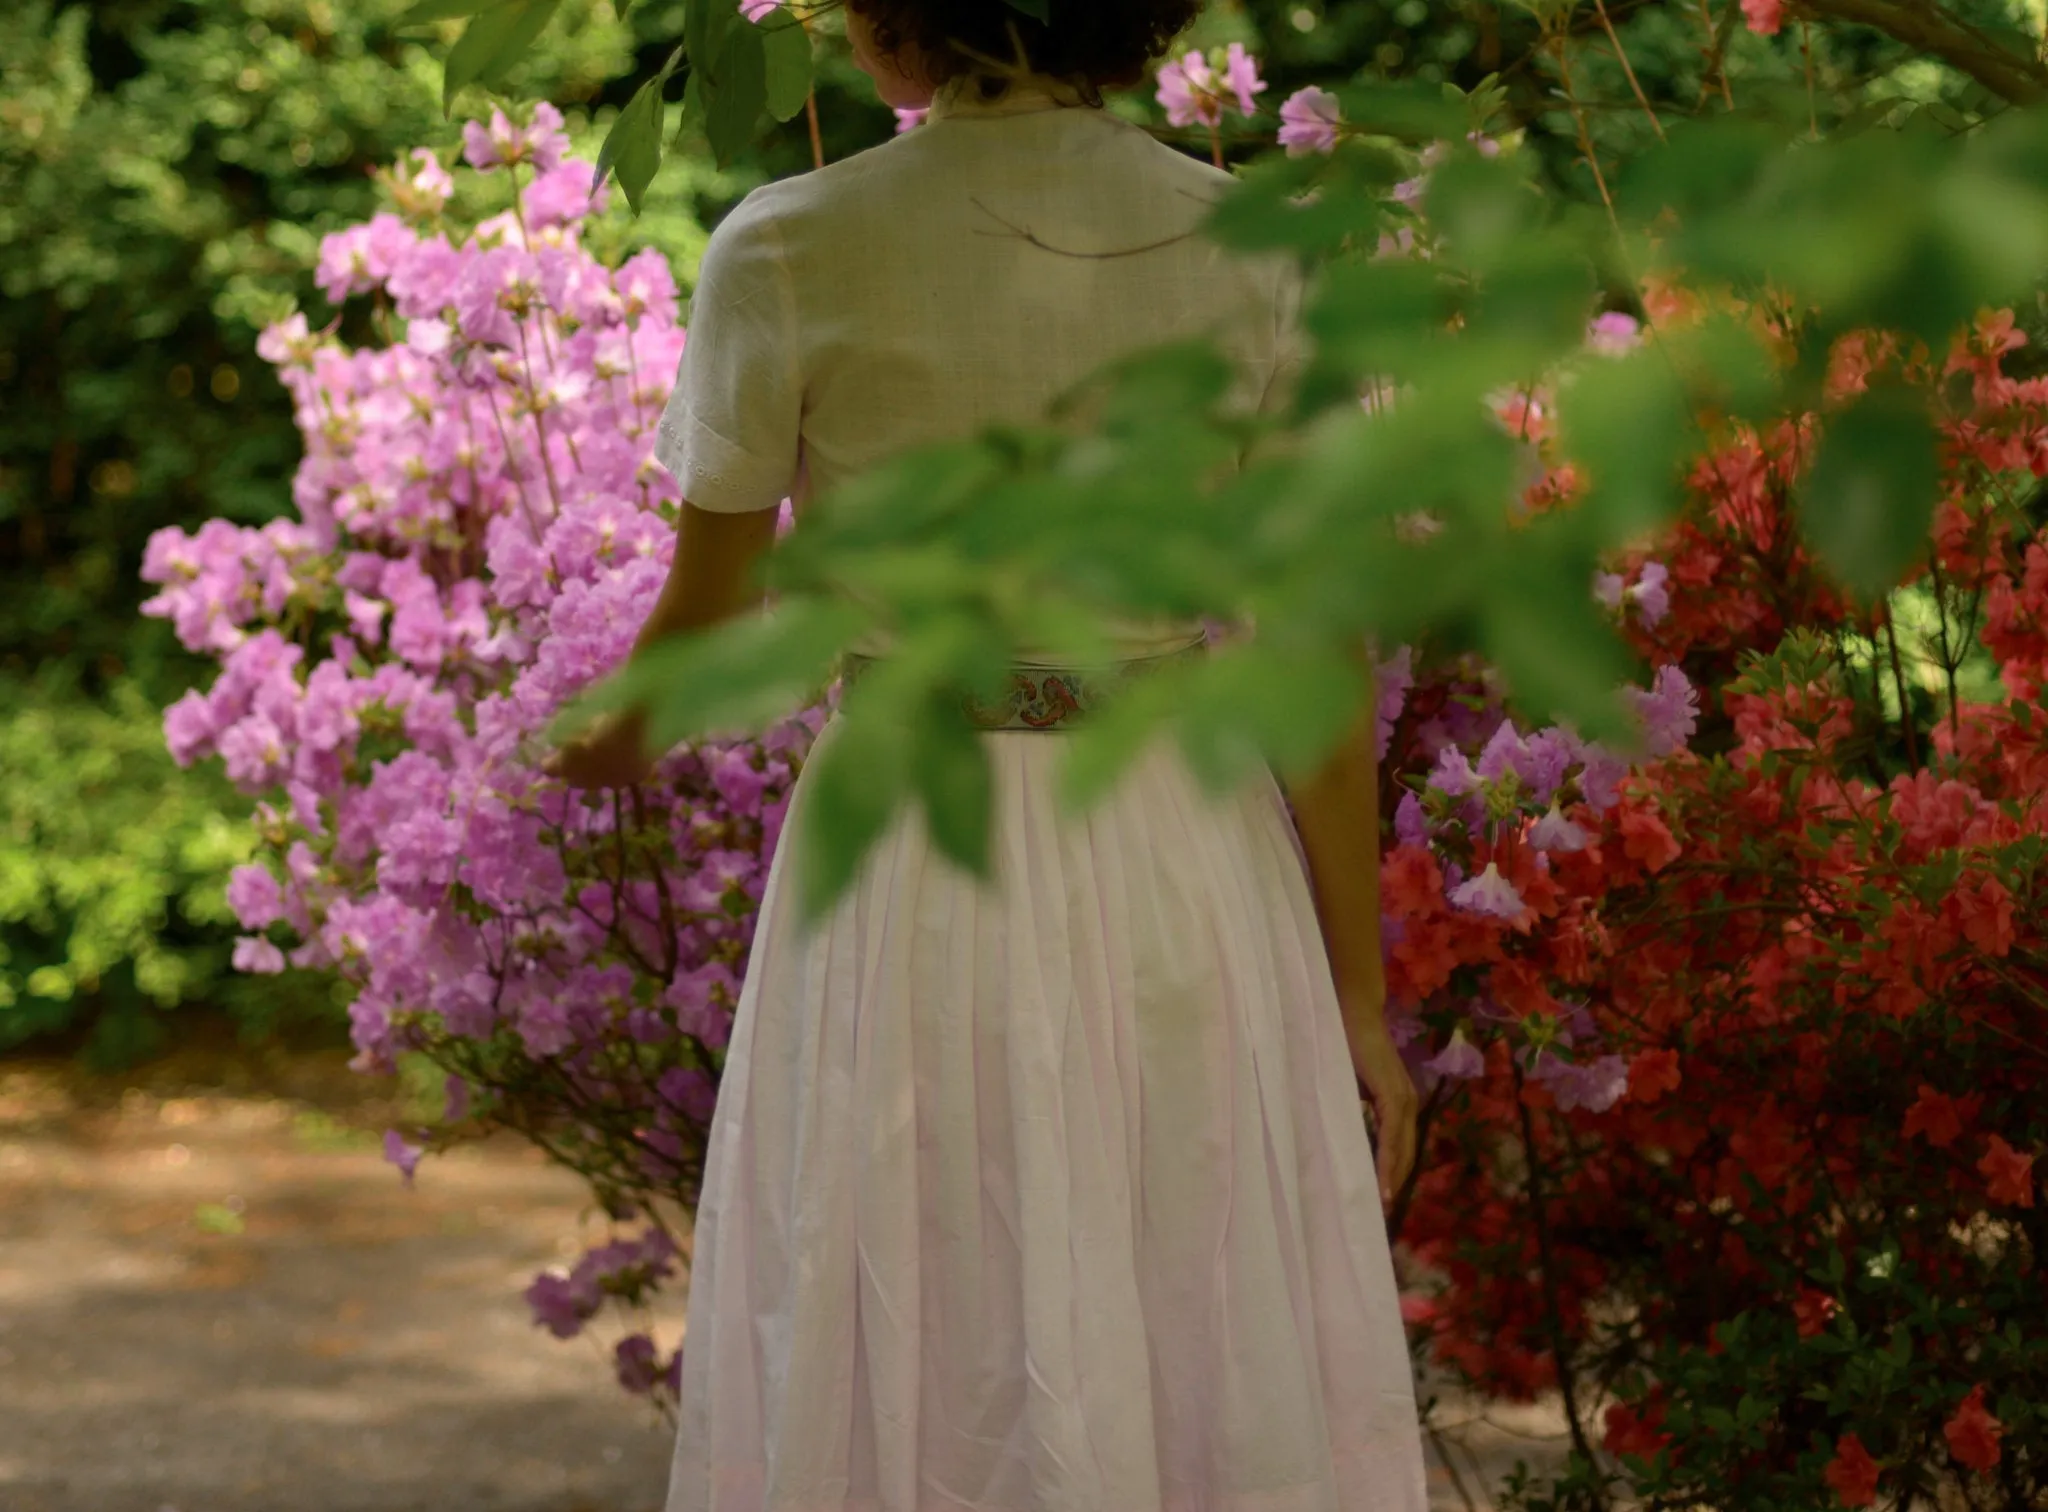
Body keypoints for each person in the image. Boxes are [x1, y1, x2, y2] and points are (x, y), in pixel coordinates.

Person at [548, 2, 1429, 1509]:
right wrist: (1356, 996)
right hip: (1180, 848)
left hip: (905, 847)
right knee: (1177, 1289)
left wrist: (581, 753)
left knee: (912, 1285)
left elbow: (696, 640)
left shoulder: (792, 245)